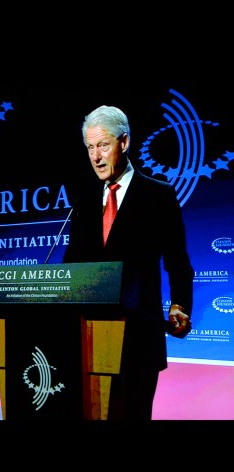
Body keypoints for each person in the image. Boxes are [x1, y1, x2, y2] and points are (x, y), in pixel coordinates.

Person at [62, 104, 194, 420]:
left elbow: (177, 260)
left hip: (138, 334)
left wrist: (179, 305)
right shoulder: (84, 199)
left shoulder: (158, 195)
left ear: (124, 142)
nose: (96, 157)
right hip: (86, 337)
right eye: (90, 148)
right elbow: (72, 264)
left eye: (103, 145)